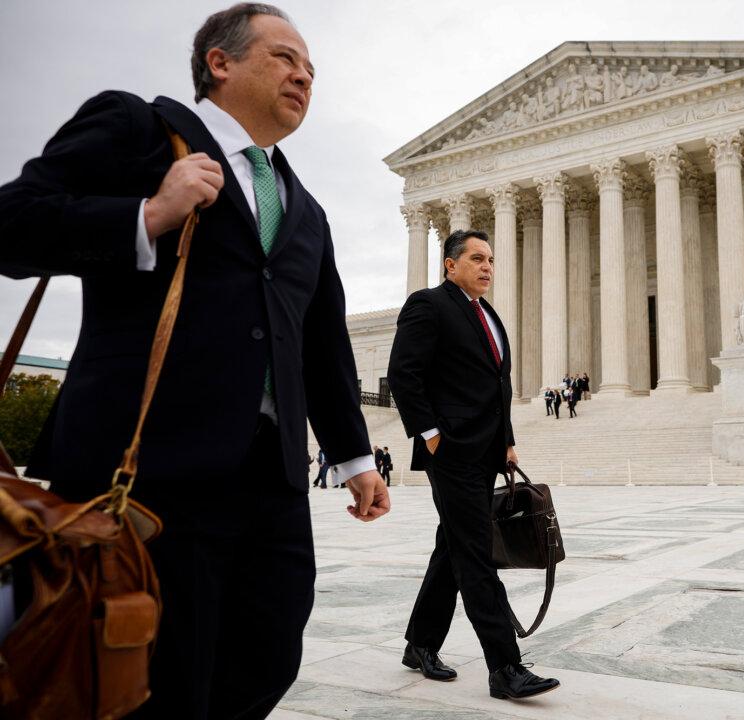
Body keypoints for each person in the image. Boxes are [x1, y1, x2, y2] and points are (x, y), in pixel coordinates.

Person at [0, 5, 391, 717]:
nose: (304, 75)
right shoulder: (138, 131)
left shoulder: (305, 209)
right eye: (285, 58)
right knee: (149, 678)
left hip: (272, 483)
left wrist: (355, 457)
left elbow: (321, 339)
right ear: (220, 62)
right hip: (146, 475)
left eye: (312, 68)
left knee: (266, 657)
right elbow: (10, 224)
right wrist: (146, 216)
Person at [388, 229, 560, 700]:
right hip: (453, 451)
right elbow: (405, 372)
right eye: (477, 258)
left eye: (491, 259)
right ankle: (505, 667)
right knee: (477, 553)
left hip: (486, 450)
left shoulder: (489, 315)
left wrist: (506, 440)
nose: (487, 266)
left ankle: (420, 643)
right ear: (450, 264)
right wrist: (431, 436)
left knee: (454, 545)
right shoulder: (428, 304)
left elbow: (496, 387)